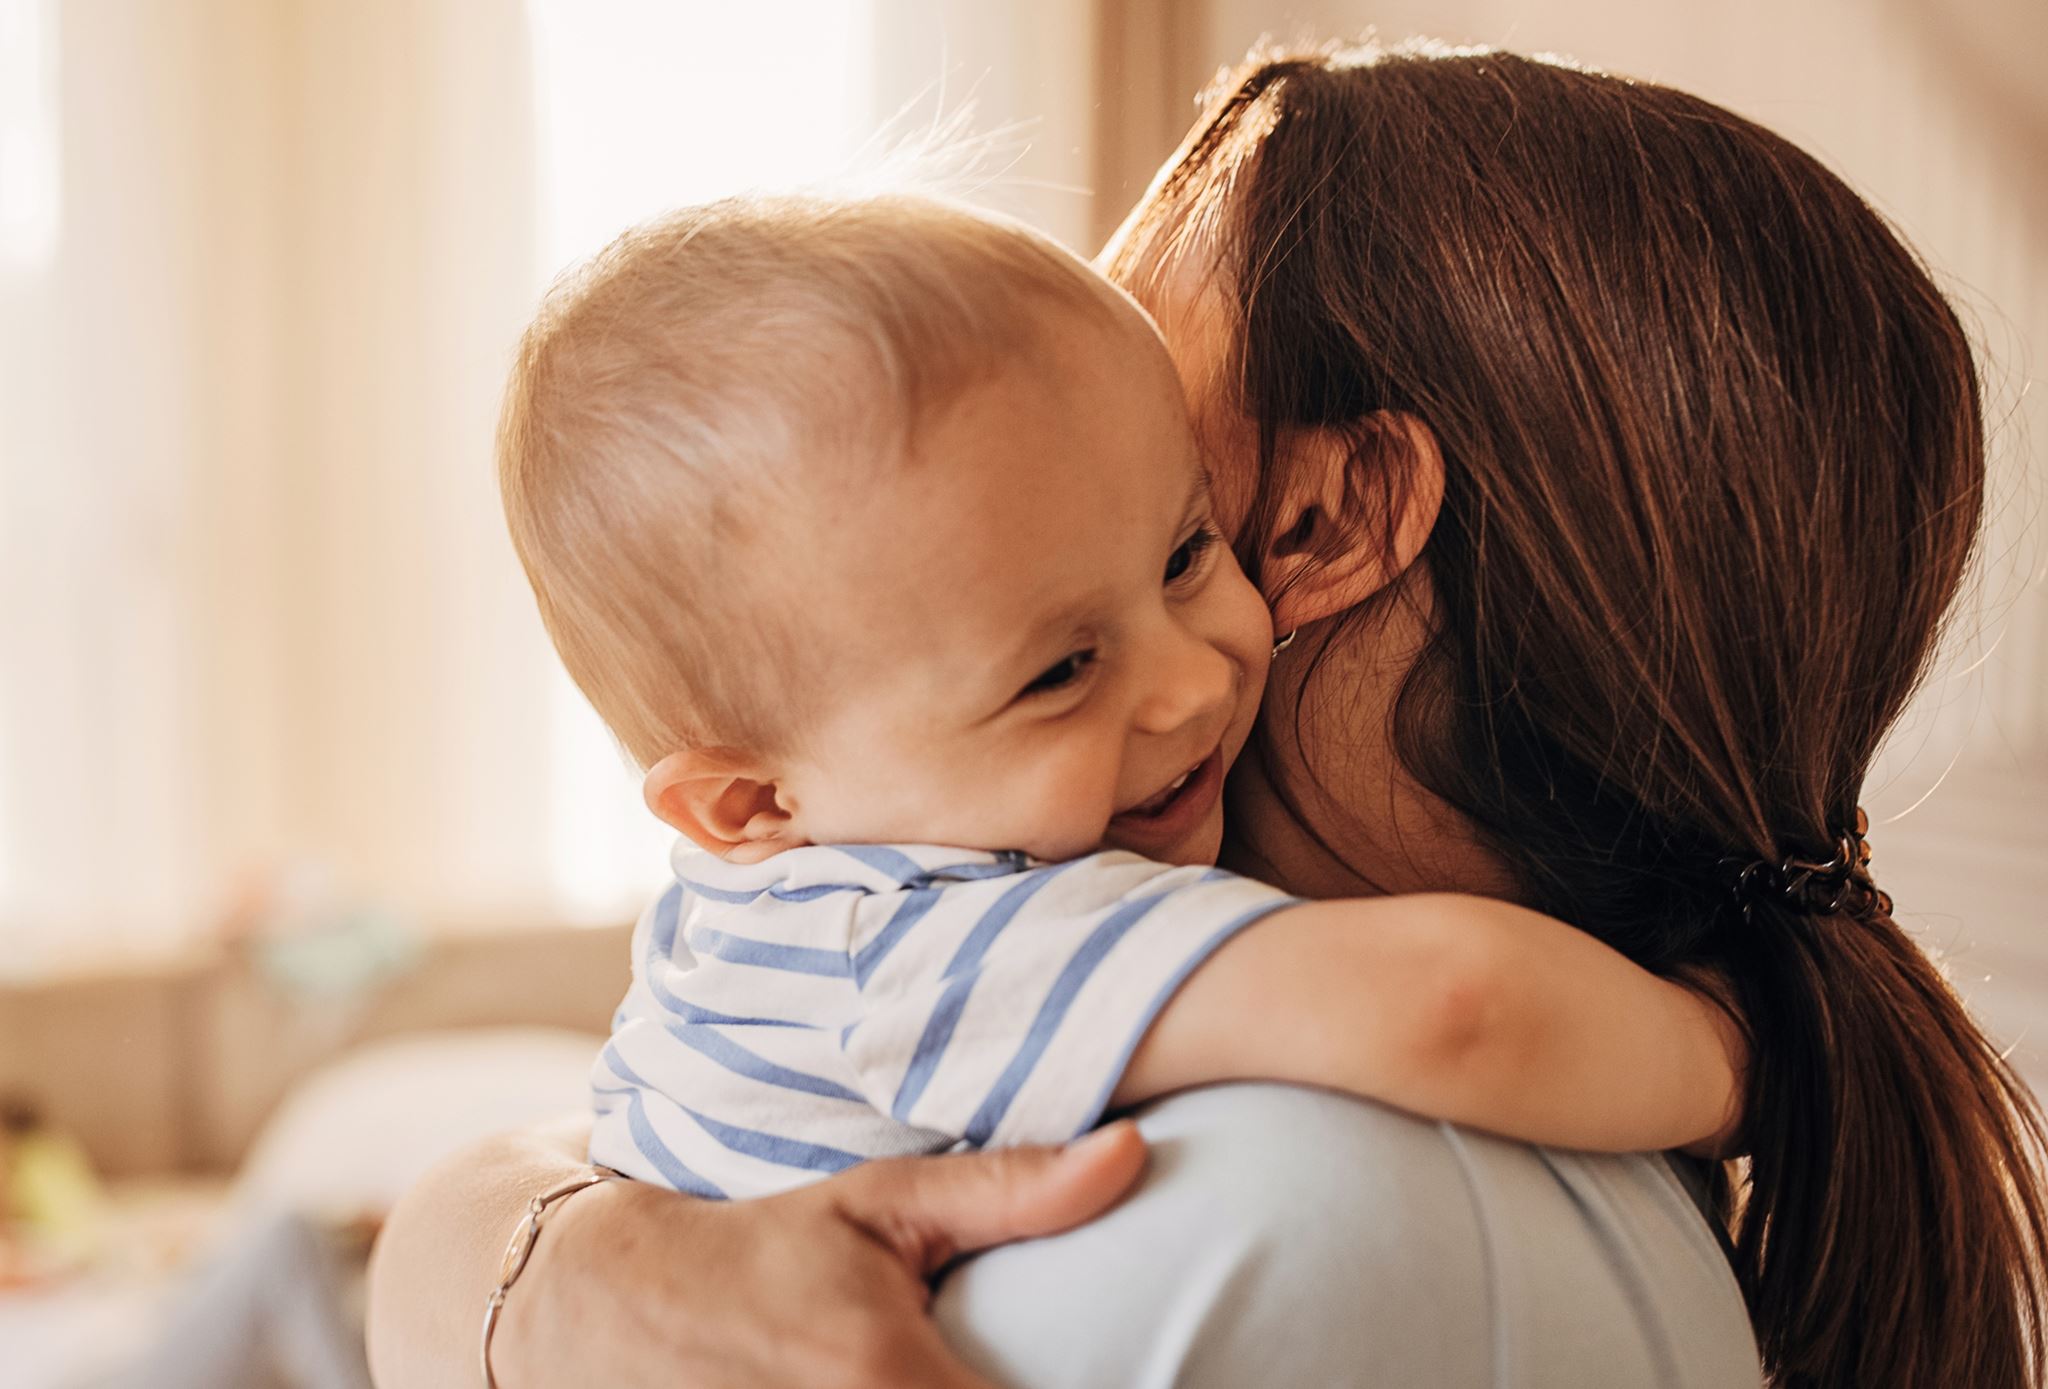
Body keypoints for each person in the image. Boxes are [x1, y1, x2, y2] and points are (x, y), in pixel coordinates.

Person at [366, 40, 2048, 1389]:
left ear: (1325, 519)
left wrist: (522, 1275)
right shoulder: (1398, 1102)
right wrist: (543, 1258)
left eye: (1167, 505)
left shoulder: (1298, 1213)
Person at [494, 191, 1740, 1205]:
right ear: (750, 799)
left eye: (1186, 554)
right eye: (1058, 672)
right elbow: (1450, 1009)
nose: (1193, 680)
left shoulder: (782, 899)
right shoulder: (919, 945)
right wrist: (1739, 1061)